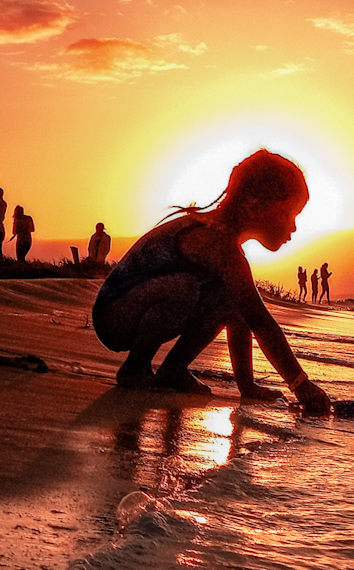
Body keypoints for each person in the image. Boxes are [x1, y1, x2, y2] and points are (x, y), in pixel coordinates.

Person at [92, 148, 331, 413]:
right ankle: (135, 367)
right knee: (184, 288)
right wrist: (300, 385)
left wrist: (247, 385)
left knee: (230, 300)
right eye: (289, 214)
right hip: (114, 316)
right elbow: (260, 320)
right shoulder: (214, 240)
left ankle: (174, 368)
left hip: (133, 308)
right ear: (255, 205)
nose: (294, 227)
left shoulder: (226, 245)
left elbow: (242, 315)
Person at [11, 202, 34, 267]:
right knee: (22, 257)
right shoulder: (29, 218)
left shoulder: (17, 220)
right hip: (28, 240)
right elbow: (32, 229)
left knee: (20, 258)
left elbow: (14, 232)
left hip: (20, 241)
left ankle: (22, 270)